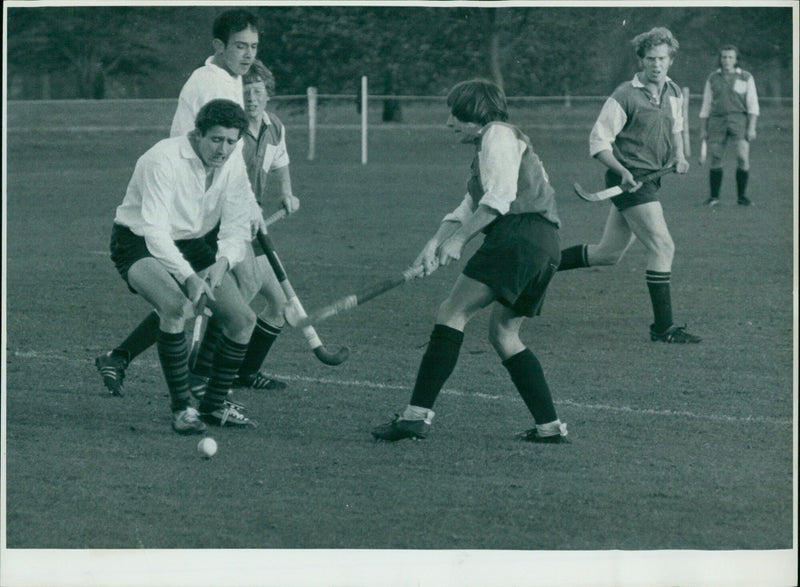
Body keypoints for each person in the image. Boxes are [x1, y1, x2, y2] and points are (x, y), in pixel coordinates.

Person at [94, 10, 285, 395]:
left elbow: (229, 153)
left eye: (253, 47)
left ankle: (131, 358)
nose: (248, 55)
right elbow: (216, 147)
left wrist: (245, 204)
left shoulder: (230, 79)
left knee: (212, 291)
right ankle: (202, 374)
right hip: (192, 201)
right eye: (240, 46)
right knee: (226, 286)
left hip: (209, 199)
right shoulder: (209, 82)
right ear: (219, 46)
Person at [371, 79, 568, 443]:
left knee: (452, 313)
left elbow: (499, 199)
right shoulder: (487, 147)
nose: (449, 123)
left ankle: (415, 417)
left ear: (477, 114)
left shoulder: (497, 135)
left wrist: (459, 241)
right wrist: (434, 242)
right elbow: (467, 207)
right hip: (545, 243)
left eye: (456, 115)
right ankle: (549, 427)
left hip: (519, 236)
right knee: (505, 334)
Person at [109, 99, 264, 432]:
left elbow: (236, 225)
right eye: (216, 140)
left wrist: (223, 262)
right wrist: (189, 277)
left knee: (242, 318)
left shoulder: (232, 160)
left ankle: (212, 405)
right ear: (197, 134)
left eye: (231, 141)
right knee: (177, 307)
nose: (223, 149)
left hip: (192, 242)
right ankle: (182, 411)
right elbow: (154, 232)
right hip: (136, 241)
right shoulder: (162, 160)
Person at [557, 27, 701, 344]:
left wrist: (679, 155)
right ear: (641, 59)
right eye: (651, 58)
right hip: (630, 180)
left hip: (650, 179)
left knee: (607, 254)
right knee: (663, 246)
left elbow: (676, 128)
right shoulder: (625, 95)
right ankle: (663, 329)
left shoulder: (674, 91)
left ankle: (541, 263)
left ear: (670, 60)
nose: (657, 64)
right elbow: (598, 143)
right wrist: (622, 171)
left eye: (662, 58)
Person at [190, 59, 300, 392]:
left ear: (269, 94)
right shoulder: (232, 134)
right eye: (246, 92)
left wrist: (287, 193)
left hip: (251, 223)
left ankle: (245, 372)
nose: (252, 99)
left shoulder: (274, 126)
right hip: (224, 226)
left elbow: (279, 160)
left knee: (278, 302)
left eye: (258, 92)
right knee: (220, 298)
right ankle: (202, 369)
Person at [699, 44, 759, 207]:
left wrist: (751, 127)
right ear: (720, 59)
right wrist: (704, 128)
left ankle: (742, 197)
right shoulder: (713, 78)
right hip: (717, 121)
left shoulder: (746, 77)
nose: (727, 61)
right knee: (716, 157)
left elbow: (753, 105)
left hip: (739, 120)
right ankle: (714, 197)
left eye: (730, 57)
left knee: (742, 157)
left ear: (736, 59)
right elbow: (706, 104)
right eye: (724, 57)